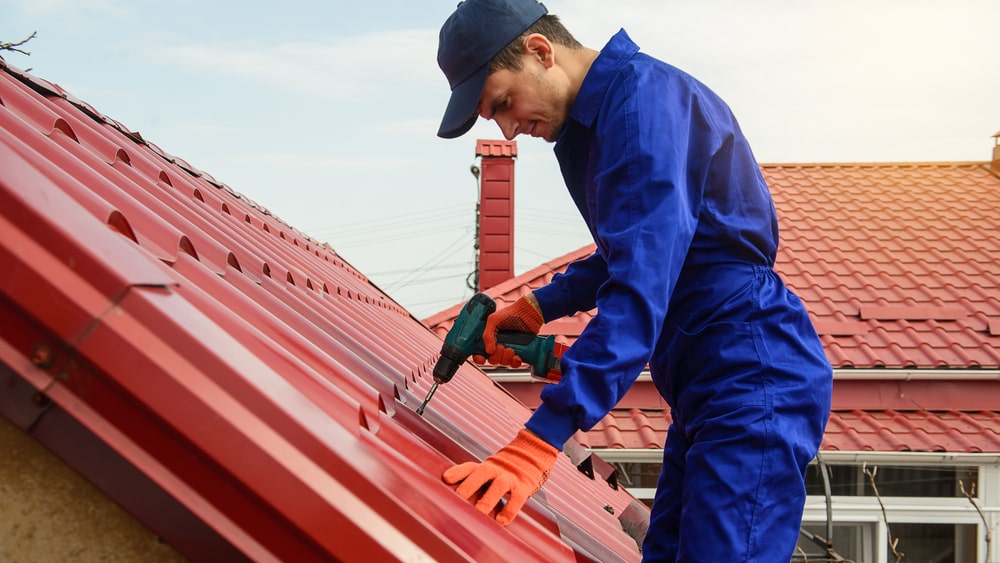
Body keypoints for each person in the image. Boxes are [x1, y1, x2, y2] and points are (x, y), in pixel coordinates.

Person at [434, 1, 833, 561]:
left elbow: (640, 285)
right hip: (705, 388)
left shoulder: (642, 107)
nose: (508, 128)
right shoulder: (591, 126)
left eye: (502, 102)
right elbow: (629, 253)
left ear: (540, 51)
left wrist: (540, 440)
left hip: (750, 375)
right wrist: (536, 308)